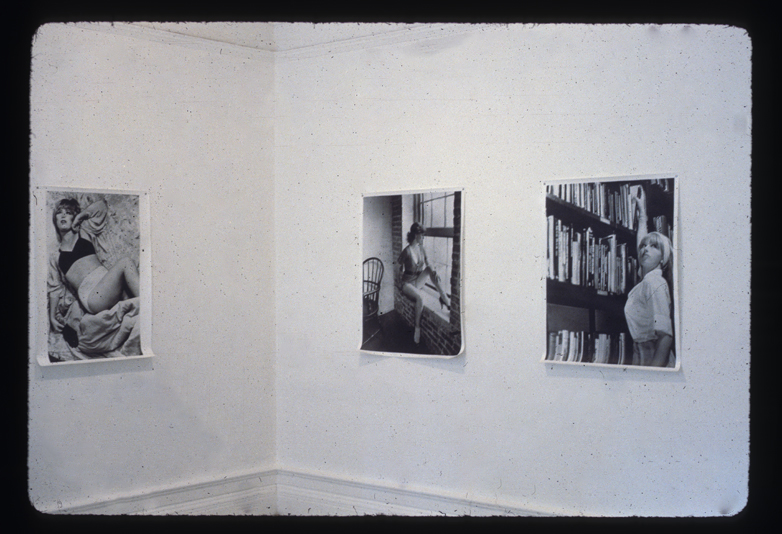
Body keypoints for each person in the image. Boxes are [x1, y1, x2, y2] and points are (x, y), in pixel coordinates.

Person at [48, 197, 140, 334]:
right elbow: (55, 289)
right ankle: (148, 308)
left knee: (130, 294)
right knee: (125, 263)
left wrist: (81, 216)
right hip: (91, 296)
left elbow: (101, 206)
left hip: (106, 286)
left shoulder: (84, 232)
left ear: (74, 217)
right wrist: (52, 317)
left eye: (68, 212)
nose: (63, 215)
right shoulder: (56, 256)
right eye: (59, 213)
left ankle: (143, 306)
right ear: (55, 220)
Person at [624, 187, 674, 367]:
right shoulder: (647, 278)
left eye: (654, 247)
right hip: (641, 355)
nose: (645, 249)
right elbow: (641, 245)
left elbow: (665, 337)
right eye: (644, 246)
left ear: (663, 258)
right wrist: (642, 213)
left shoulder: (655, 283)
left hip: (654, 357)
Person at [398, 222, 451, 344]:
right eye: (422, 235)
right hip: (407, 284)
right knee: (420, 298)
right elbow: (398, 266)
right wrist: (399, 280)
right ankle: (417, 329)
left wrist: (434, 272)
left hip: (417, 281)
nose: (423, 238)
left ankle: (445, 300)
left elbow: (428, 262)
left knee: (431, 271)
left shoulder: (422, 248)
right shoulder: (406, 251)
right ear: (416, 235)